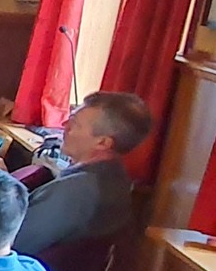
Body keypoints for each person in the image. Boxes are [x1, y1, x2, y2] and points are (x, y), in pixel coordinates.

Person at [12, 92, 152, 256]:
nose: (64, 125)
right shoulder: (116, 177)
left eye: (74, 124)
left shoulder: (76, 191)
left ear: (103, 143)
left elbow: (4, 244)